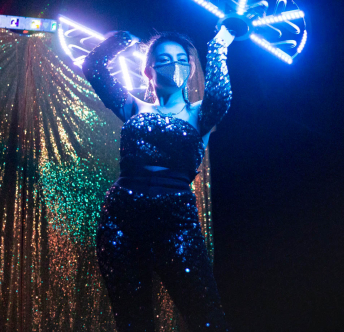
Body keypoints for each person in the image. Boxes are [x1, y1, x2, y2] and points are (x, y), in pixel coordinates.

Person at [82, 25, 235, 331]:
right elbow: (93, 67)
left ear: (191, 69)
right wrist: (122, 40)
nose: (173, 65)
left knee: (206, 316)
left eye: (181, 60)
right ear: (148, 70)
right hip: (121, 219)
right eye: (164, 59)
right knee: (133, 320)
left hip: (175, 220)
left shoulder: (200, 114)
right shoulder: (133, 107)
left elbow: (220, 96)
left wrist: (218, 45)